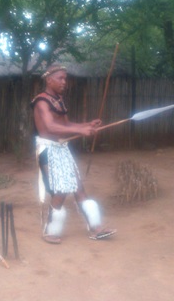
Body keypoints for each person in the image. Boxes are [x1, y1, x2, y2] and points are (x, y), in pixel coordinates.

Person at [31, 64, 116, 244]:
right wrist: (83, 130)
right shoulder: (41, 101)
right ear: (49, 79)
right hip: (48, 149)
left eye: (65, 78)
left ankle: (95, 228)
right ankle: (50, 230)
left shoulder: (59, 100)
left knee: (78, 188)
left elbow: (67, 125)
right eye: (60, 78)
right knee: (61, 190)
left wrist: (86, 126)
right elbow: (50, 127)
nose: (64, 82)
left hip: (62, 147)